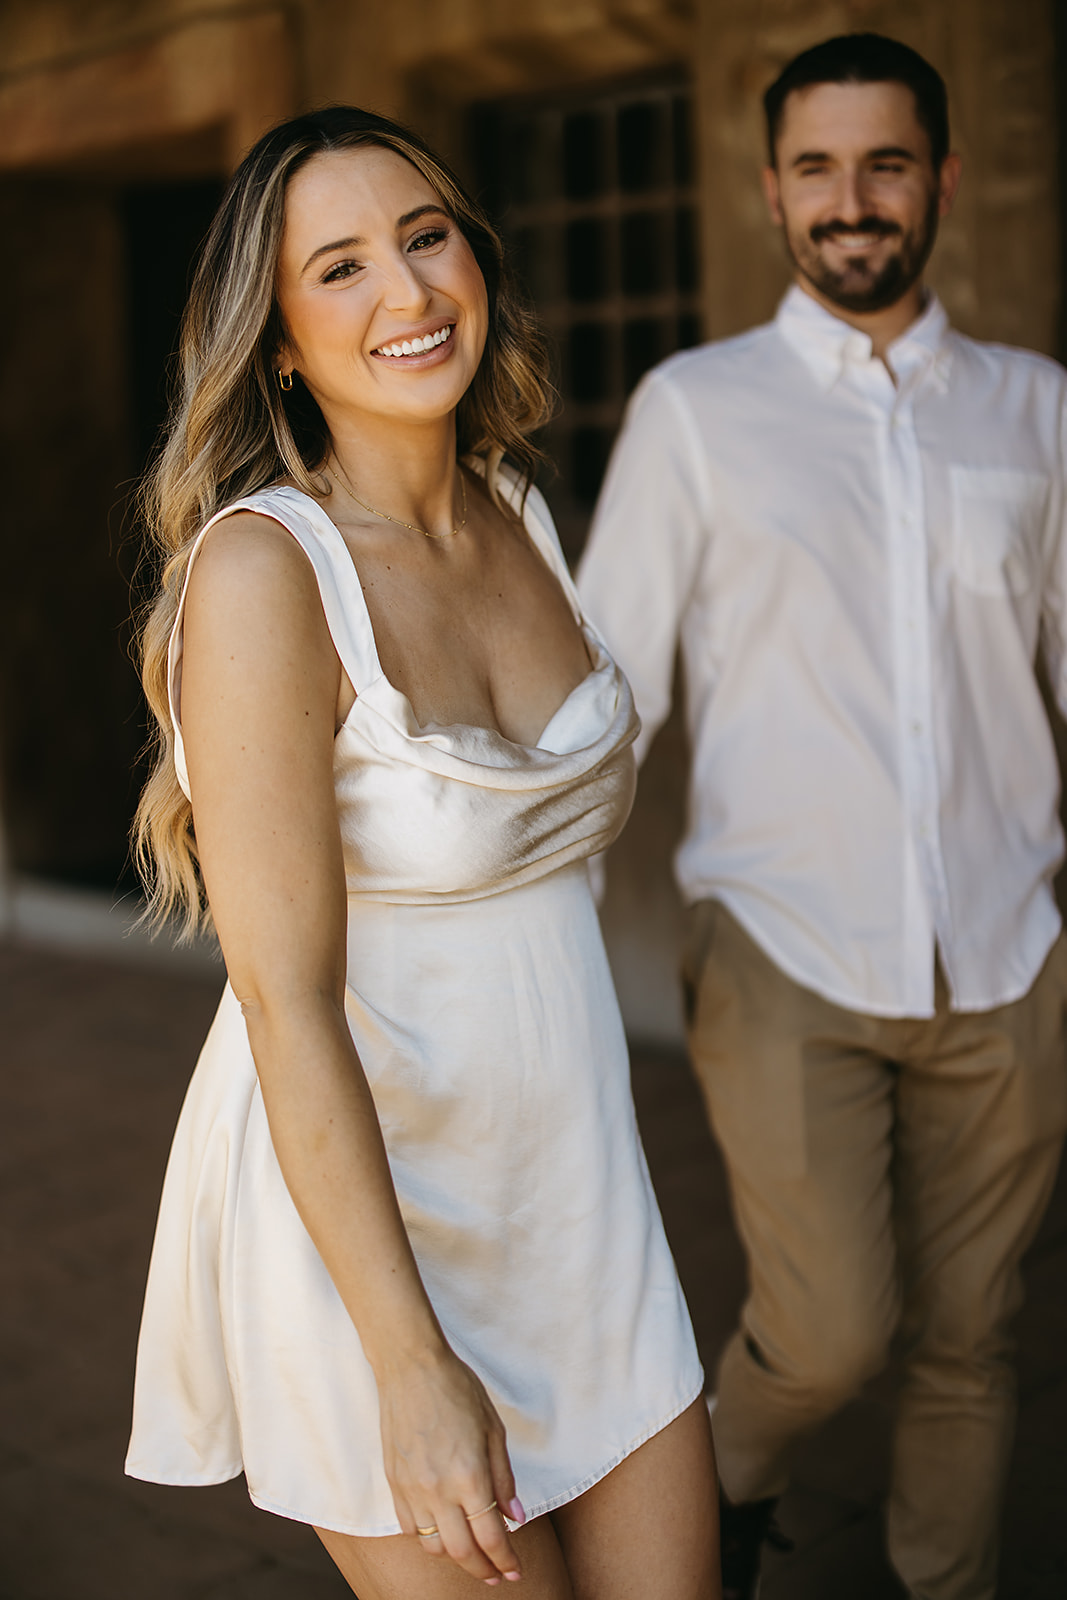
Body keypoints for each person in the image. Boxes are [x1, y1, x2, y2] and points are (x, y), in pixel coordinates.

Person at [124, 105, 720, 1599]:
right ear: (275, 341)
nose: (406, 291)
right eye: (338, 268)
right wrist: (410, 1363)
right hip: (372, 1242)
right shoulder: (267, 574)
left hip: (581, 1205)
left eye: (426, 235)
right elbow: (283, 998)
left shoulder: (521, 507)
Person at [578, 31, 1067, 1600]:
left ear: (942, 179)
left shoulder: (1037, 411)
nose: (850, 201)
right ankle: (720, 1482)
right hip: (784, 943)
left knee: (973, 1337)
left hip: (1009, 947)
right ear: (772, 190)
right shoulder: (696, 411)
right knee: (835, 1329)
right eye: (815, 168)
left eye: (884, 163)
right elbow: (608, 697)